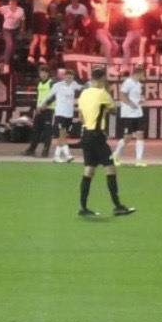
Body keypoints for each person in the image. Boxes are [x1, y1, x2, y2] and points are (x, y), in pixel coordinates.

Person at [76, 65, 135, 217]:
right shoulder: (103, 94)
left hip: (86, 135)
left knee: (89, 170)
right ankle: (118, 206)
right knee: (110, 168)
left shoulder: (84, 94)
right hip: (98, 137)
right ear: (102, 78)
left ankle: (83, 207)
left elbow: (81, 116)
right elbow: (114, 111)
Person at [42, 67, 82, 163]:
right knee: (62, 134)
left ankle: (56, 156)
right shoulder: (57, 85)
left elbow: (82, 87)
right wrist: (42, 104)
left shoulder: (74, 85)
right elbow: (49, 95)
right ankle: (68, 155)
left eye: (71, 77)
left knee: (63, 136)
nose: (69, 79)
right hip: (60, 113)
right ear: (64, 77)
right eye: (68, 77)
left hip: (69, 115)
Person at [112, 65, 146, 167]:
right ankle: (115, 154)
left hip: (138, 113)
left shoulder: (139, 84)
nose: (143, 77)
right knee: (127, 137)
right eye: (142, 75)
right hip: (128, 114)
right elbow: (122, 96)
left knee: (140, 135)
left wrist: (141, 98)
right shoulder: (128, 82)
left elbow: (137, 96)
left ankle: (139, 160)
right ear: (138, 74)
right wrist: (131, 104)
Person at [22, 63, 55, 158]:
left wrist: (46, 104)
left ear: (48, 73)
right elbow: (38, 96)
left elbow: (54, 96)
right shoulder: (39, 83)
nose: (42, 74)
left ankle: (46, 150)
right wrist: (36, 107)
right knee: (36, 130)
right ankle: (31, 149)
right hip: (39, 110)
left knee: (47, 131)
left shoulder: (51, 83)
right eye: (41, 72)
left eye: (44, 72)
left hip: (48, 110)